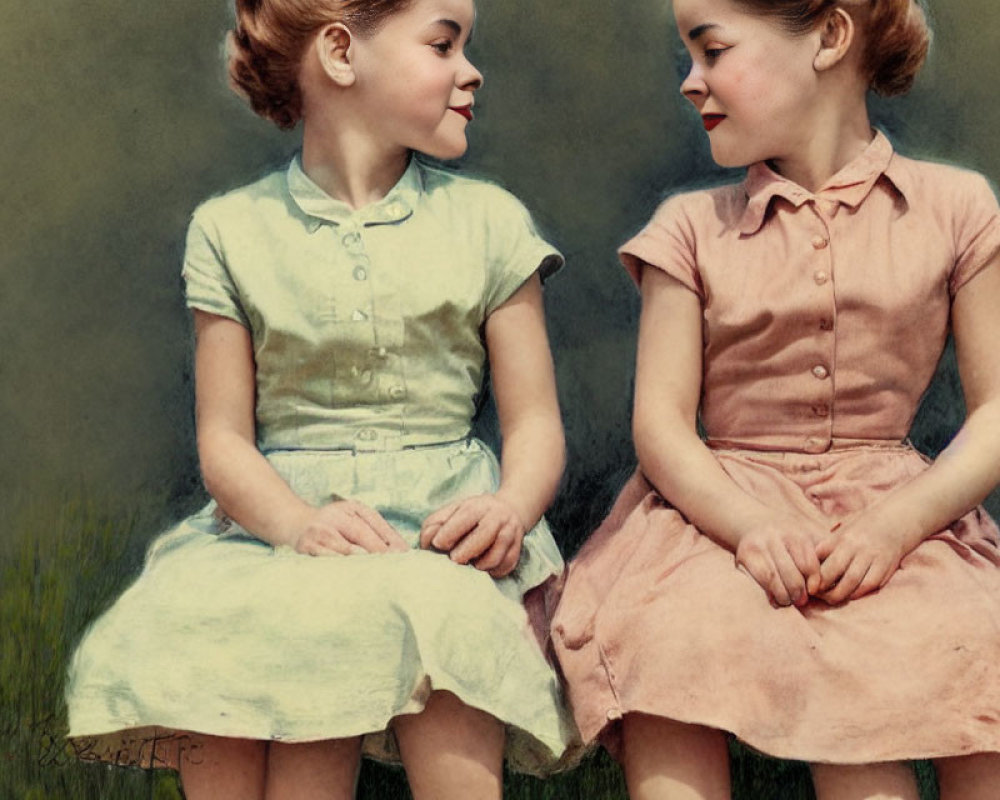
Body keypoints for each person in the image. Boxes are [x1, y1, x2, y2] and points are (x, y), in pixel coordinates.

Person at [65, 0, 576, 797]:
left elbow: (536, 420)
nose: (471, 71)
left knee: (444, 620)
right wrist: (297, 525)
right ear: (341, 53)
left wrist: (511, 507)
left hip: (440, 529)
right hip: (281, 524)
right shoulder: (230, 230)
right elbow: (225, 442)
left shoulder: (490, 222)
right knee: (210, 628)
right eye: (443, 44)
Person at [551, 0, 1000, 798]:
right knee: (676, 633)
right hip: (720, 514)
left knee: (964, 638)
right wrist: (752, 527)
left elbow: (995, 411)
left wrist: (895, 527)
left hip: (897, 508)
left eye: (712, 50)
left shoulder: (958, 208)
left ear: (829, 37)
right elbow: (660, 426)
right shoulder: (690, 226)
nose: (691, 82)